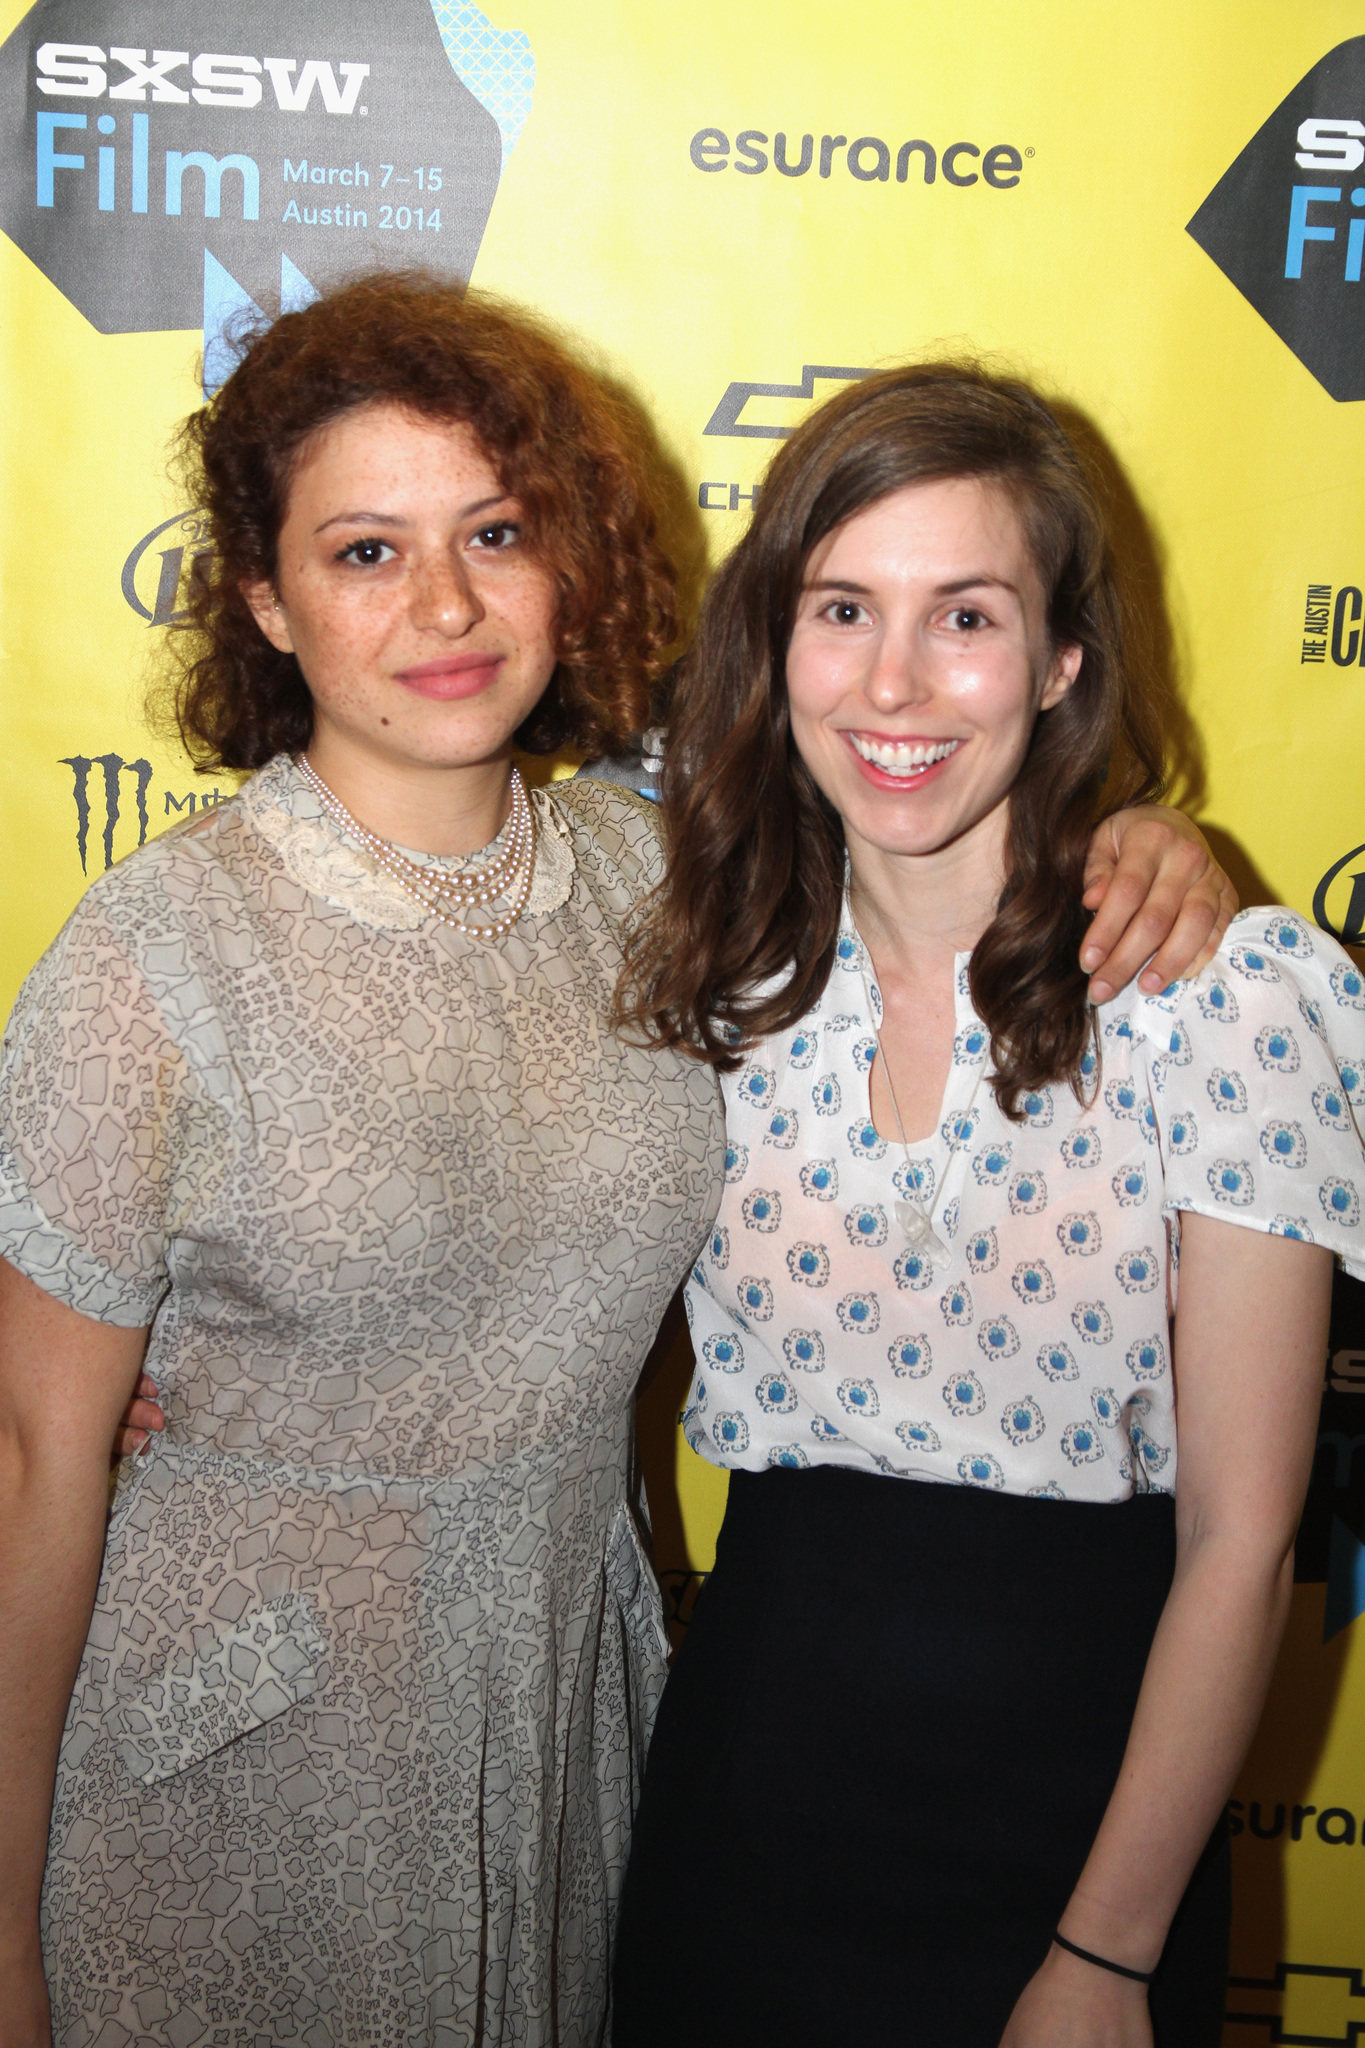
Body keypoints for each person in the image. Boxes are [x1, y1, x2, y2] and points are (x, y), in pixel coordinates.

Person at [0, 274, 1233, 2048]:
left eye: (494, 532)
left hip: (576, 1714)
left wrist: (1143, 831)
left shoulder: (663, 889)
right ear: (265, 601)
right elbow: (40, 1458)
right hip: (237, 1748)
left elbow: (929, 802)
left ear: (565, 556)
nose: (442, 603)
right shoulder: (157, 957)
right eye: (363, 552)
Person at [611, 362, 1363, 2048]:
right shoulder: (702, 983)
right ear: (773, 646)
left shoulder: (1219, 996)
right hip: (745, 1799)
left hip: (1090, 1822)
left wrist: (1100, 1957)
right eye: (840, 608)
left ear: (1060, 659)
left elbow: (1243, 1540)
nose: (893, 682)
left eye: (964, 614)